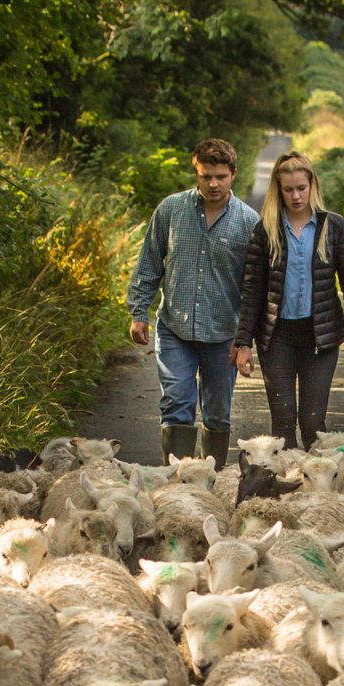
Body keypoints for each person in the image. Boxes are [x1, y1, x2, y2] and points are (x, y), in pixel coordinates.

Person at [126, 138, 258, 467]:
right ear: (196, 174)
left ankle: (208, 485)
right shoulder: (171, 210)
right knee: (177, 403)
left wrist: (245, 339)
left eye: (220, 177)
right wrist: (139, 311)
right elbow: (149, 263)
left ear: (233, 175)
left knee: (217, 412)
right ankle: (179, 485)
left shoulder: (248, 222)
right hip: (175, 329)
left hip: (223, 333)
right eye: (205, 176)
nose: (213, 184)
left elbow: (254, 287)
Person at [233, 151, 344, 450]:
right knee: (282, 424)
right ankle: (284, 490)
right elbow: (253, 290)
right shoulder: (266, 230)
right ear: (278, 190)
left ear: (312, 187)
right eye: (288, 189)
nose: (296, 196)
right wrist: (243, 343)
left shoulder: (334, 228)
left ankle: (316, 492)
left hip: (320, 336)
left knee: (313, 422)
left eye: (301, 188)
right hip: (277, 337)